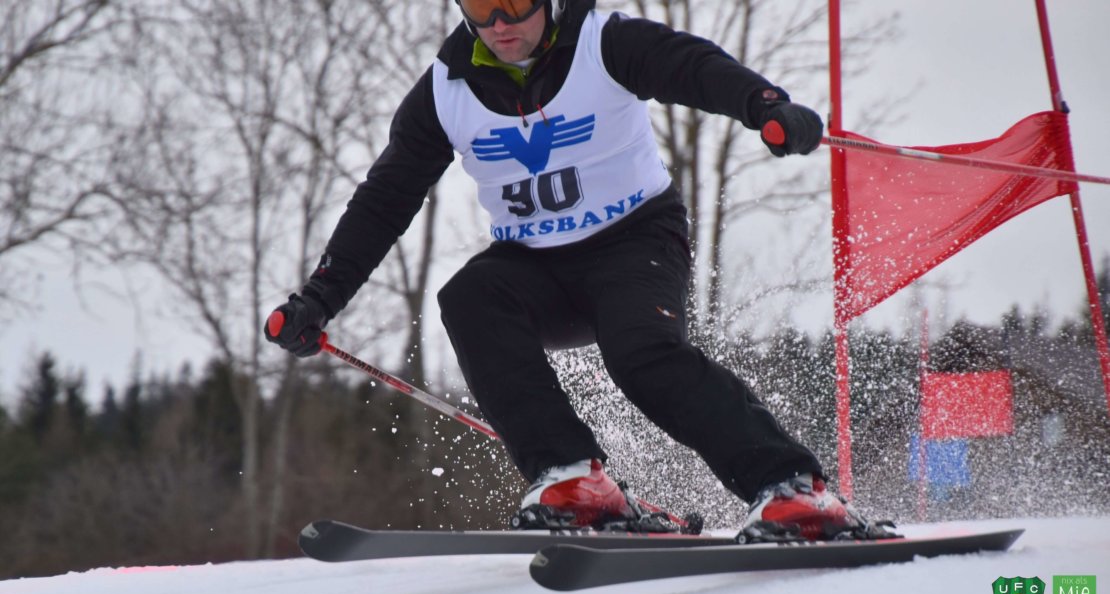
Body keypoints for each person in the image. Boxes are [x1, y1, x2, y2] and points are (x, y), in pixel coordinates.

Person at [266, 0, 869, 540]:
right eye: (481, 6)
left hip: (635, 242)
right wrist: (320, 299)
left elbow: (690, 65)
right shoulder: (446, 91)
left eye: (514, 4)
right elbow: (383, 200)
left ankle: (793, 487)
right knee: (469, 295)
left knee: (639, 354)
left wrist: (766, 105)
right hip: (535, 266)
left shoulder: (602, 44)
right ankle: (573, 477)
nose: (499, 23)